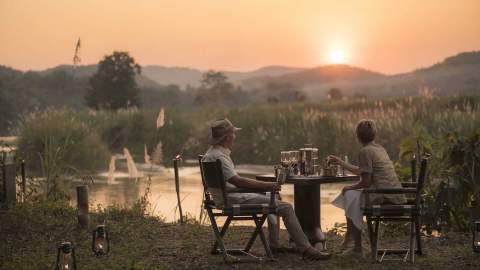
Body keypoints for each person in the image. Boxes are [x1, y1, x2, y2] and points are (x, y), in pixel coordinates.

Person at [202, 118, 331, 260]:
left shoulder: (210, 154)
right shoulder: (219, 157)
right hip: (231, 199)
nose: (235, 137)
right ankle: (307, 249)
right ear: (227, 137)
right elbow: (239, 182)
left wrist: (265, 189)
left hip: (223, 197)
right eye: (233, 134)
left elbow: (234, 182)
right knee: (286, 207)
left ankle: (274, 245)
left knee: (274, 197)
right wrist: (268, 185)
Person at [329, 119, 406, 256]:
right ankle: (352, 240)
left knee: (350, 195)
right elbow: (362, 171)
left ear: (358, 136)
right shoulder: (378, 148)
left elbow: (365, 182)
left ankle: (355, 244)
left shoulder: (365, 151)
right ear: (374, 135)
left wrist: (350, 187)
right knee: (351, 195)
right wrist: (341, 162)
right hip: (395, 194)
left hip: (384, 196)